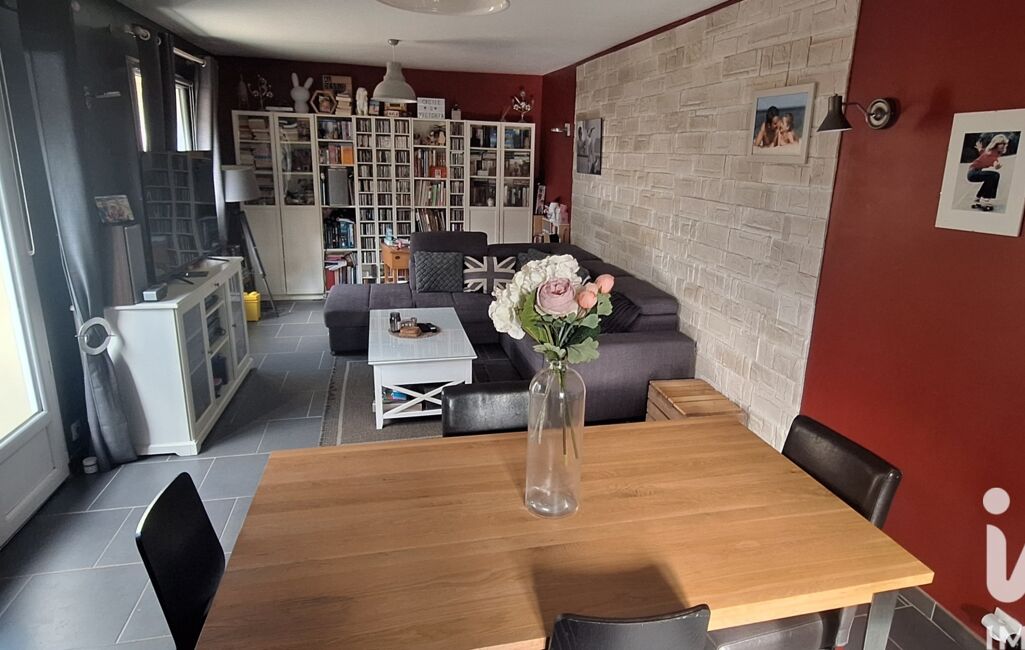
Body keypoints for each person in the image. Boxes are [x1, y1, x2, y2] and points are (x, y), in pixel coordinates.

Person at [968, 133, 1009, 211]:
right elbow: (993, 160)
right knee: (994, 175)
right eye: (1001, 143)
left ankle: (978, 198)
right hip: (972, 173)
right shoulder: (992, 153)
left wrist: (979, 148)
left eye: (1004, 144)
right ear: (996, 144)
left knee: (990, 177)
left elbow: (982, 152)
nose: (1003, 145)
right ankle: (985, 198)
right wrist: (996, 165)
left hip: (973, 172)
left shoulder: (989, 151)